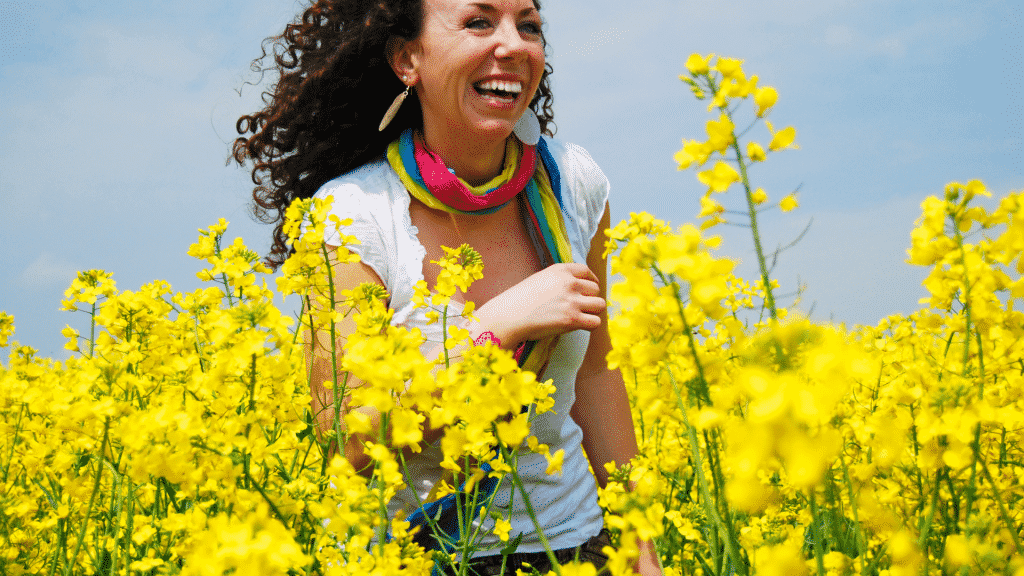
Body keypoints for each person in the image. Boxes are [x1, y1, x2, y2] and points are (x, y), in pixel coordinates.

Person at [234, 0, 661, 574]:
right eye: (479, 22)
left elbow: (596, 374)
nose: (513, 45)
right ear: (407, 59)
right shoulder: (350, 214)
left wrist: (640, 547)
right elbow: (352, 438)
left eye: (528, 25)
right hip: (423, 556)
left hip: (578, 546)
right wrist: (498, 326)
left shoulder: (574, 184)